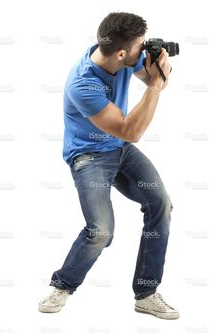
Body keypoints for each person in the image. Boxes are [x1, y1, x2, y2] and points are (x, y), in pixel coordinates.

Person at [38, 12, 180, 320]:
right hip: (89, 156)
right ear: (120, 53)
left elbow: (145, 75)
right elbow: (132, 130)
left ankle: (146, 293)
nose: (142, 50)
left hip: (120, 150)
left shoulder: (116, 54)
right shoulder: (83, 84)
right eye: (140, 46)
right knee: (101, 231)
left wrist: (154, 66)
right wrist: (155, 86)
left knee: (161, 203)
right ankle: (62, 284)